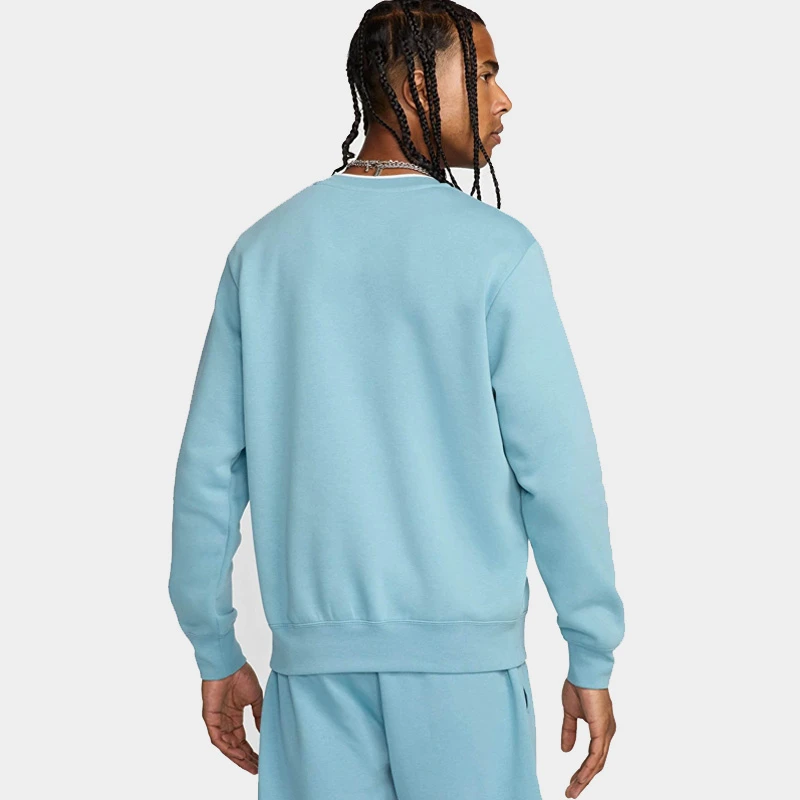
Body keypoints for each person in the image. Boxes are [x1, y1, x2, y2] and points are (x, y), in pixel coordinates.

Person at [168, 2, 625, 798]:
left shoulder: (265, 252)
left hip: (314, 679)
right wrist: (590, 653)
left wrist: (215, 648)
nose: (504, 98)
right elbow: (558, 473)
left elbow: (208, 471)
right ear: (415, 81)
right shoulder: (498, 253)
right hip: (466, 678)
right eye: (483, 73)